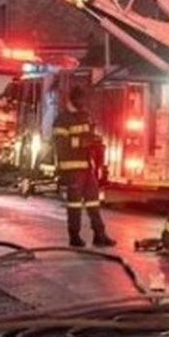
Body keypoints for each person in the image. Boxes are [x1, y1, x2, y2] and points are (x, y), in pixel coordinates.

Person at [53, 86, 116, 248]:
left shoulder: (85, 116)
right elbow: (60, 145)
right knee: (74, 204)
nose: (82, 103)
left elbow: (88, 137)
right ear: (73, 100)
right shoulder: (62, 119)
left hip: (87, 167)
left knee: (93, 202)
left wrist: (95, 142)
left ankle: (99, 235)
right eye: (80, 100)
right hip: (72, 169)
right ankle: (74, 236)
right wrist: (82, 143)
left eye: (83, 100)